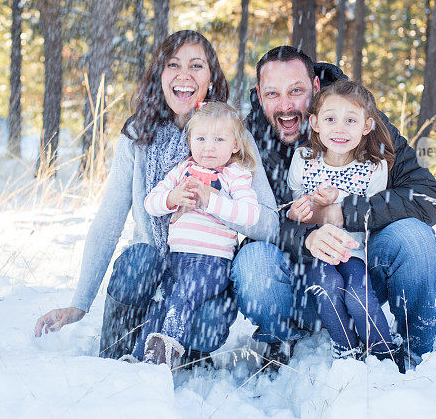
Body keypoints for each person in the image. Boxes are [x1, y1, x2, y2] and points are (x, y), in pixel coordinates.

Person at [34, 31, 279, 364]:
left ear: (211, 78)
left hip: (204, 272)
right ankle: (120, 354)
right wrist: (79, 304)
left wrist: (212, 203)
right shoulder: (138, 135)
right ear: (159, 75)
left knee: (209, 319)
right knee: (140, 258)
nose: (184, 75)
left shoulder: (232, 135)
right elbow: (110, 220)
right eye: (173, 64)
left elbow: (268, 222)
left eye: (197, 66)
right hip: (153, 278)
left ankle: (175, 354)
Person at [231, 46, 436, 372]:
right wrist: (305, 237)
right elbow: (256, 216)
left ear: (316, 87)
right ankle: (284, 335)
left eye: (296, 91)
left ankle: (416, 351)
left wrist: (345, 213)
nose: (285, 106)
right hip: (299, 281)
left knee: (414, 237)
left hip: (363, 267)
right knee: (252, 263)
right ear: (258, 95)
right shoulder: (248, 141)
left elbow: (427, 197)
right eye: (273, 94)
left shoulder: (357, 120)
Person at [138, 102, 260, 367]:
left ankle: (160, 361)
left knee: (183, 295)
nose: (209, 146)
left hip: (211, 261)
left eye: (219, 139)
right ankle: (138, 360)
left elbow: (250, 216)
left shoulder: (234, 175)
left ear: (235, 145)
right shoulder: (182, 169)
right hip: (177, 258)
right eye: (201, 138)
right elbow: (151, 203)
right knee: (161, 302)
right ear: (190, 141)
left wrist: (211, 200)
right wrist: (171, 197)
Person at [286, 80, 396, 360]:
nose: (340, 128)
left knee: (359, 296)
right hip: (315, 252)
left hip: (353, 250)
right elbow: (293, 203)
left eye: (350, 120)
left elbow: (374, 211)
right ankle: (345, 348)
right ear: (315, 123)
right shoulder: (303, 158)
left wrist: (341, 196)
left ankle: (384, 352)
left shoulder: (374, 166)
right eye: (331, 119)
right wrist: (296, 211)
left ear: (366, 126)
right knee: (326, 287)